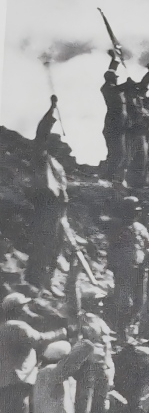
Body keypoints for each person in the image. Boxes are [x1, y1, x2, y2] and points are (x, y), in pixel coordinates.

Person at [0, 293, 68, 413]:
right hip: (16, 384)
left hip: (9, 384)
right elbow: (38, 339)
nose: (26, 310)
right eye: (23, 306)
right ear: (17, 310)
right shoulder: (17, 326)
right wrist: (60, 333)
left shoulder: (4, 327)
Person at [25, 96, 70, 290]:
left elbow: (62, 189)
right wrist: (51, 111)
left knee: (55, 245)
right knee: (41, 243)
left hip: (58, 210)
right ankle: (34, 281)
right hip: (45, 206)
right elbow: (41, 134)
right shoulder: (42, 158)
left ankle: (47, 280)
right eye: (56, 145)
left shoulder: (58, 165)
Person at [106, 197, 149, 338]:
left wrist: (146, 255)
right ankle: (120, 330)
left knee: (139, 302)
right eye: (133, 211)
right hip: (123, 269)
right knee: (124, 301)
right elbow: (111, 247)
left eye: (137, 212)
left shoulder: (140, 227)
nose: (136, 214)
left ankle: (126, 326)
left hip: (139, 269)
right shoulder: (117, 227)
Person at [100, 61, 128, 183]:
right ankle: (108, 177)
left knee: (120, 153)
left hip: (119, 126)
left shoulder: (114, 88)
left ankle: (111, 177)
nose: (117, 79)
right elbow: (119, 88)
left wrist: (114, 61)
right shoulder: (107, 88)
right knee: (117, 153)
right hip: (113, 125)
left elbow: (119, 87)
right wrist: (128, 83)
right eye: (115, 78)